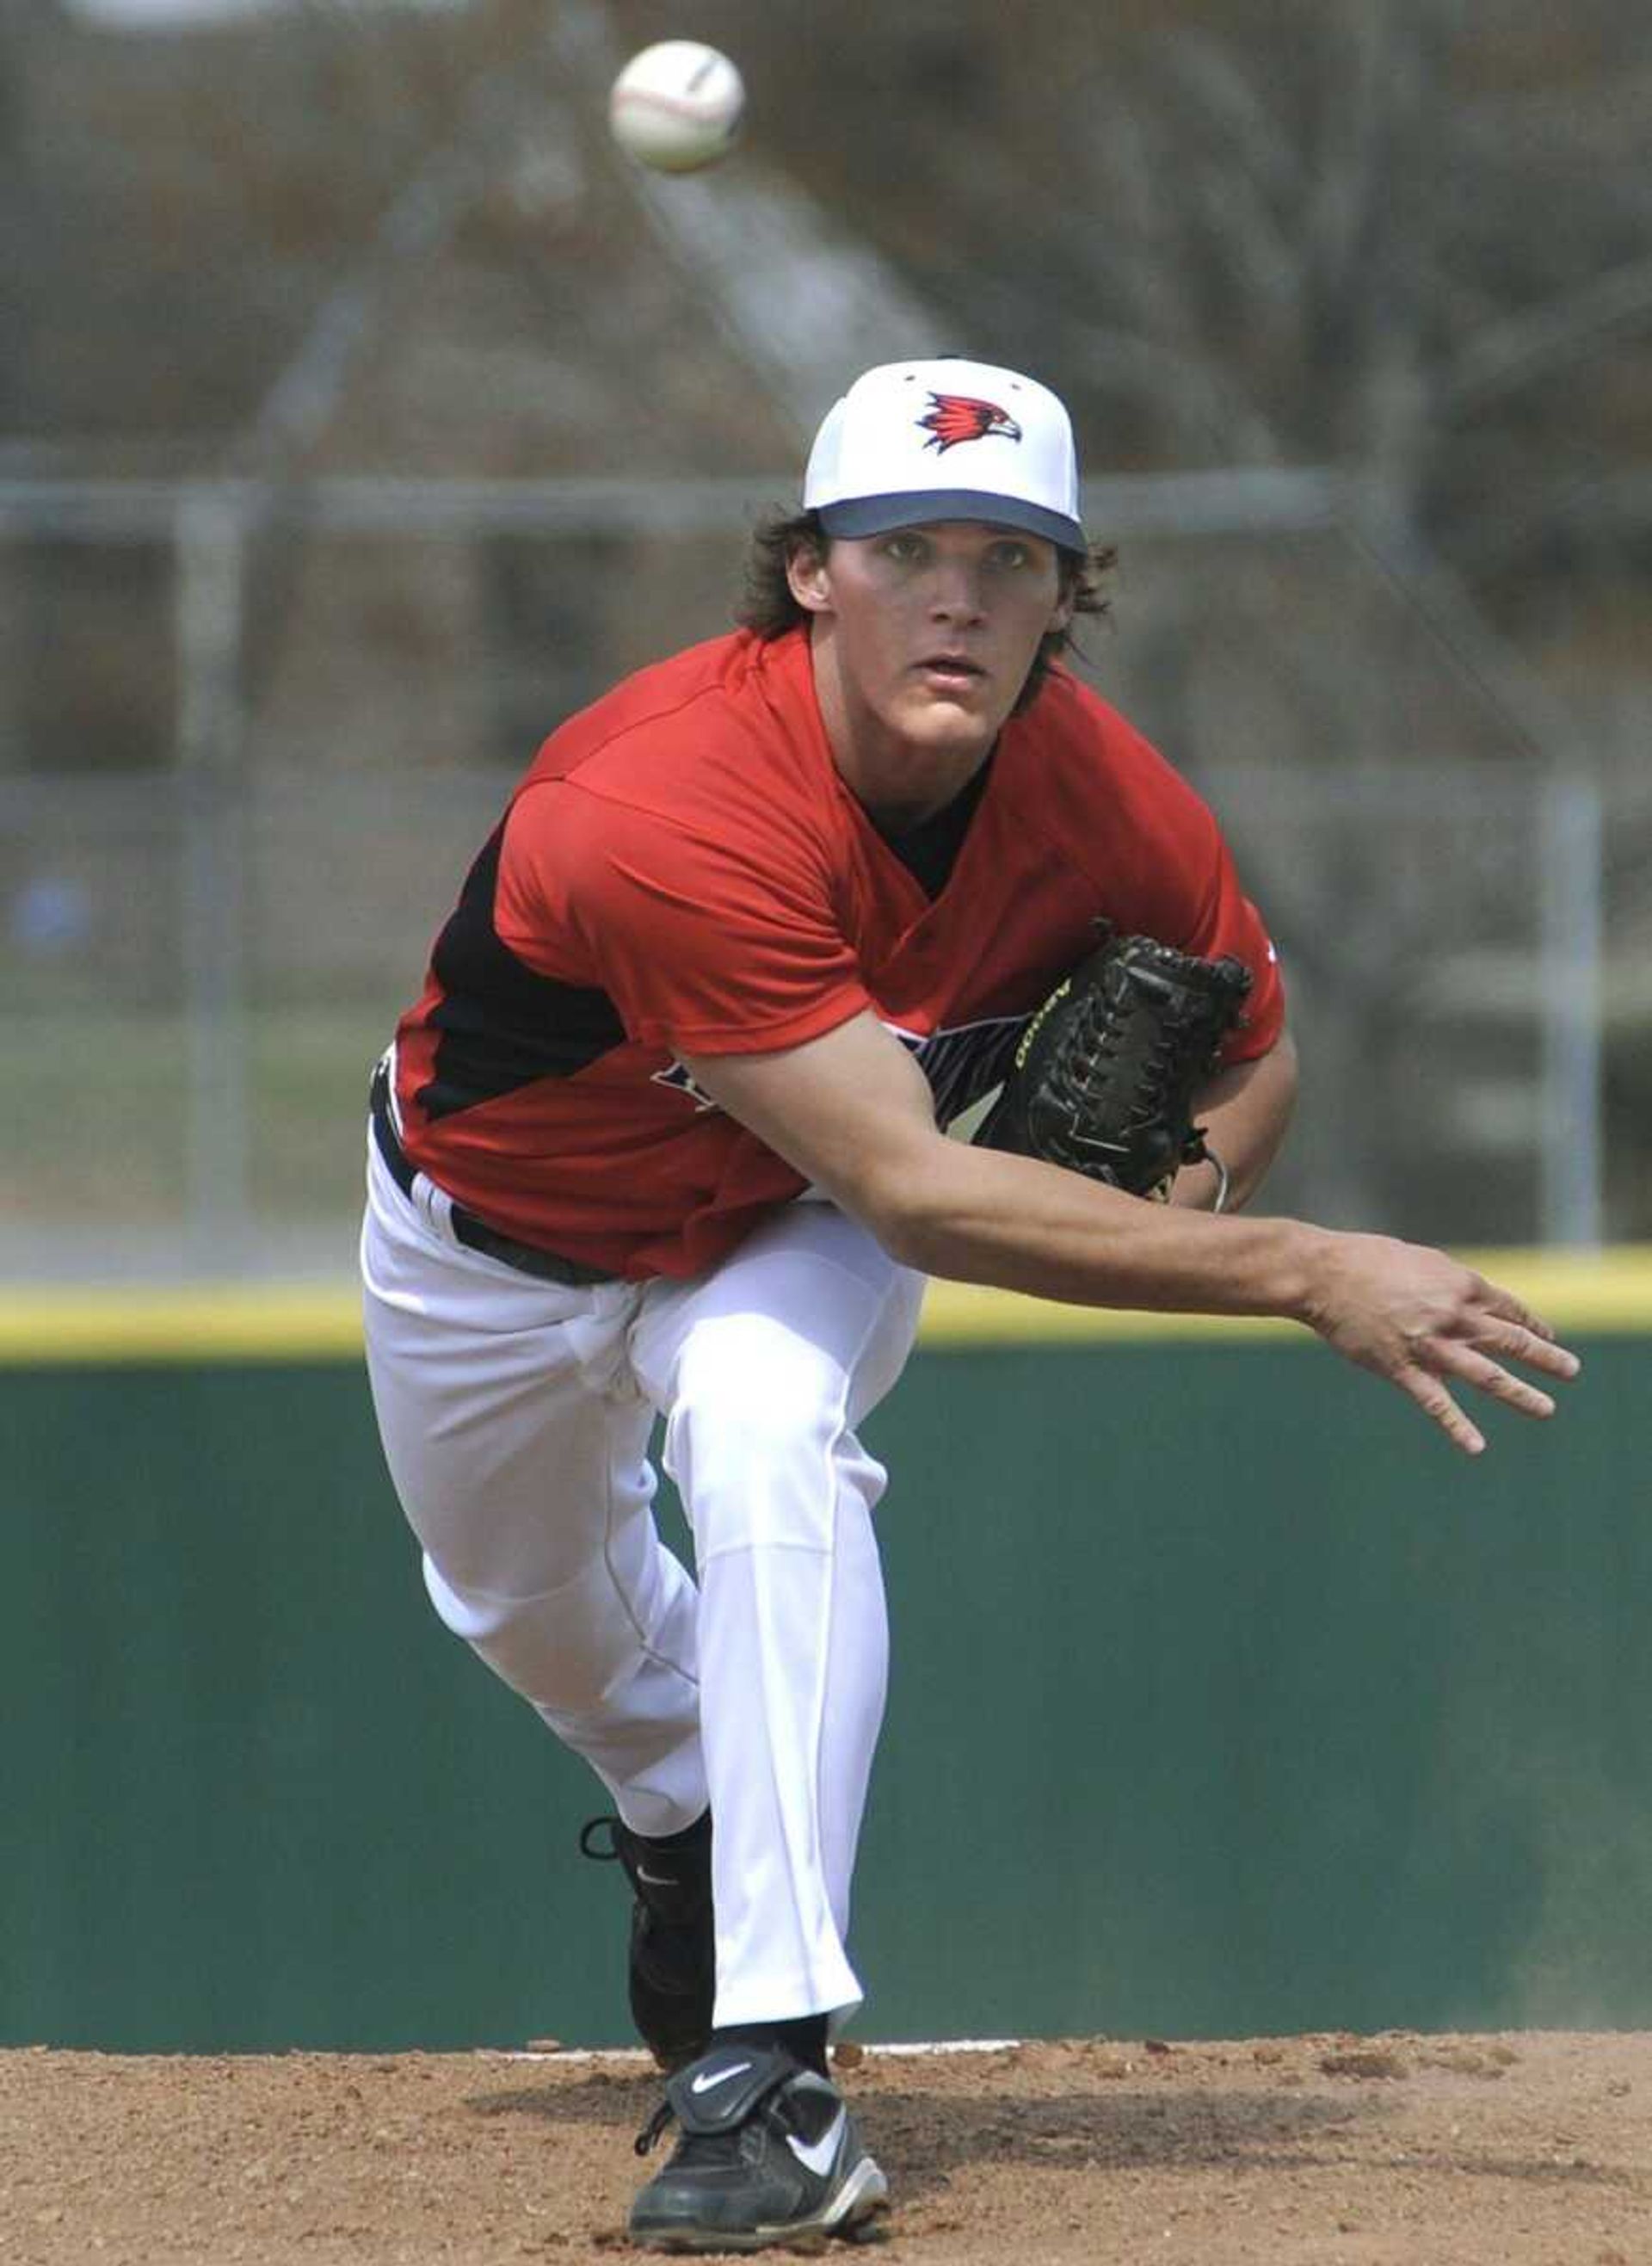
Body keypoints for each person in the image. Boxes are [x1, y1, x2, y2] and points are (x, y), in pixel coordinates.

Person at [359, 356, 1580, 2253]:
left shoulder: (1102, 798)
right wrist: (1304, 1265)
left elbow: (1250, 1040)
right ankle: (688, 1802)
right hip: (493, 1246)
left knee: (769, 1429)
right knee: (530, 1616)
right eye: (907, 546)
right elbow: (924, 1180)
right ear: (812, 576)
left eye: (1011, 558)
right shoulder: (660, 798)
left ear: (1064, 599)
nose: (959, 595)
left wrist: (1167, 1203)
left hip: (788, 1222)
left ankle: (772, 2075)